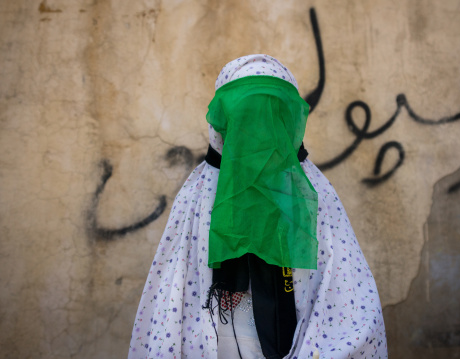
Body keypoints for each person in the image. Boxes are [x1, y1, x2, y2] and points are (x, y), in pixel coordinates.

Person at [128, 54, 388, 359]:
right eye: (248, 113)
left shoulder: (311, 192)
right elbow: (175, 302)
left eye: (270, 114)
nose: (259, 127)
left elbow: (348, 303)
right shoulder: (201, 192)